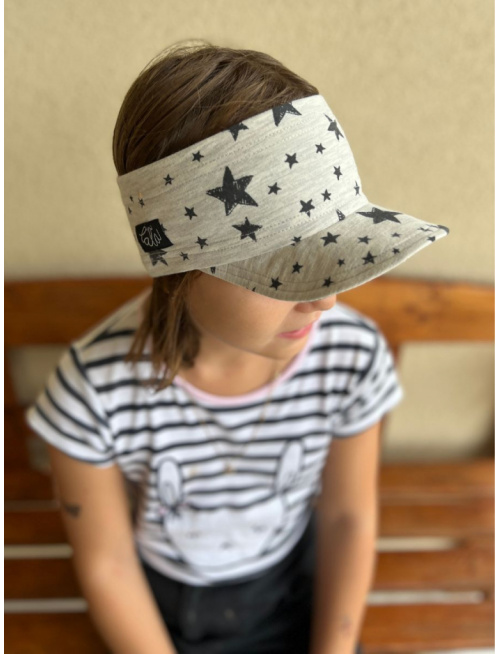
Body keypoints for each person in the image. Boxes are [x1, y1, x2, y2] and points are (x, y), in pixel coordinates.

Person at [24, 41, 450, 654]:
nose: (325, 301)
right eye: (284, 273)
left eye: (334, 260)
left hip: (295, 584)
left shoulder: (350, 357)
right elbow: (108, 565)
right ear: (179, 267)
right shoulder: (93, 392)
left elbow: (347, 517)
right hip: (166, 611)